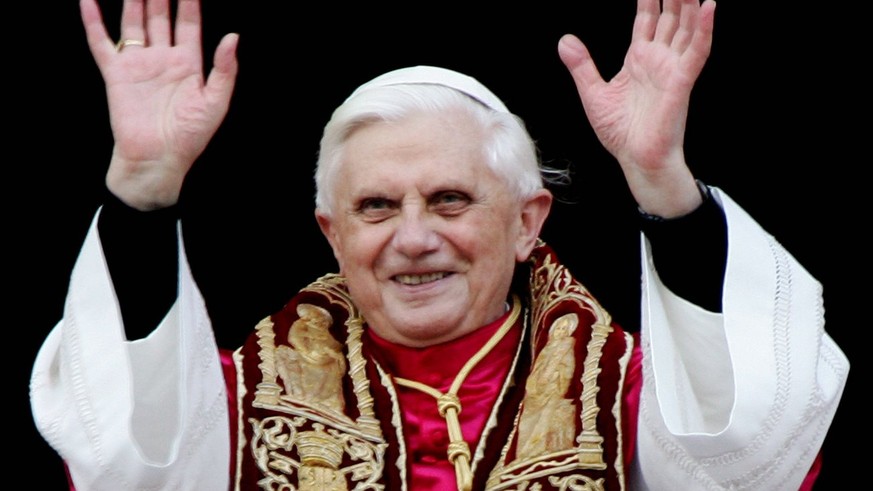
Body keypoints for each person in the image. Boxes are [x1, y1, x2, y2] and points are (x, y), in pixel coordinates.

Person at [29, 0, 849, 489]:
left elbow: (747, 458)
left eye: (450, 199)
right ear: (334, 235)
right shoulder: (236, 404)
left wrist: (661, 179)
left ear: (528, 222)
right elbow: (133, 455)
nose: (413, 238)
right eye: (376, 206)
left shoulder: (627, 395)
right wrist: (141, 186)